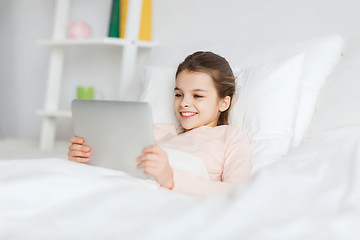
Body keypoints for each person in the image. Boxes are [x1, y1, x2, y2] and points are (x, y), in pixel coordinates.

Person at [68, 51, 252, 196]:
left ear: (223, 102)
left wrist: (171, 178)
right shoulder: (152, 131)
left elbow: (238, 192)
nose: (184, 103)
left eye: (197, 95)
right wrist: (85, 158)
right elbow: (122, 165)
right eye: (178, 94)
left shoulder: (230, 136)